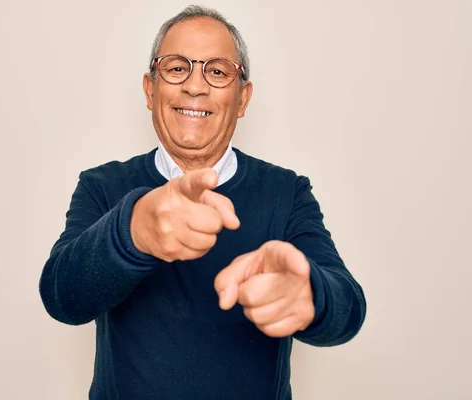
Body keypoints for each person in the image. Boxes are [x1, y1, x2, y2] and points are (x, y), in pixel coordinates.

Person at [39, 5, 366, 400]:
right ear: (150, 88)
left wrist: (312, 294)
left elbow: (348, 309)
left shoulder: (288, 192)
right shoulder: (102, 186)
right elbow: (61, 298)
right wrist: (132, 232)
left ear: (242, 98)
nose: (195, 86)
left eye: (217, 71)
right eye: (177, 67)